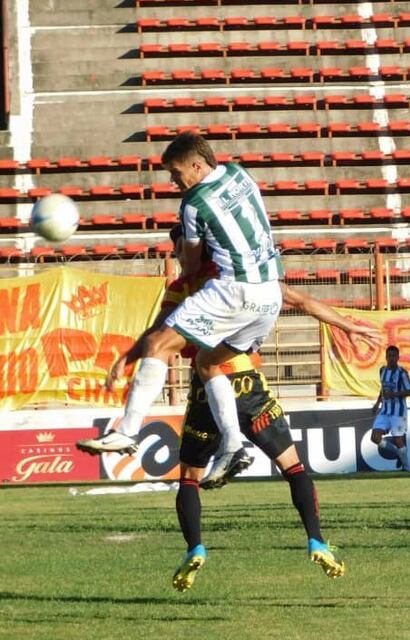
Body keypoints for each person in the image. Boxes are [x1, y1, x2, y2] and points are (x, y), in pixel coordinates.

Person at [80, 227, 378, 590]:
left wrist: (126, 361)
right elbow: (300, 301)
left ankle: (195, 548)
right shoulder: (236, 278)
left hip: (206, 390)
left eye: (181, 250)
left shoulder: (182, 287)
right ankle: (315, 539)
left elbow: (156, 334)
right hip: (247, 384)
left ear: (194, 252)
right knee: (293, 467)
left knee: (189, 478)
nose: (179, 257)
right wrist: (349, 325)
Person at [77, 132, 284, 489]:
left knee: (158, 344)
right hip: (269, 294)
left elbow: (188, 267)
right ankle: (233, 445)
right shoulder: (239, 173)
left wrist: (189, 257)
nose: (174, 182)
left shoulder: (193, 203)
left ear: (196, 164)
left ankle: (126, 432)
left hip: (234, 289)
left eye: (175, 173)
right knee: (207, 362)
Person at [371, 345, 410, 471]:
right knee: (375, 437)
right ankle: (398, 453)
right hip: (385, 410)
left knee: (398, 439)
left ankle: (407, 467)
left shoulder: (402, 373)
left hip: (398, 412)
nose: (391, 358)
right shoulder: (382, 370)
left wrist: (395, 394)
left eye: (394, 356)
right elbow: (383, 389)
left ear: (398, 357)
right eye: (389, 356)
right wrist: (377, 403)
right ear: (386, 357)